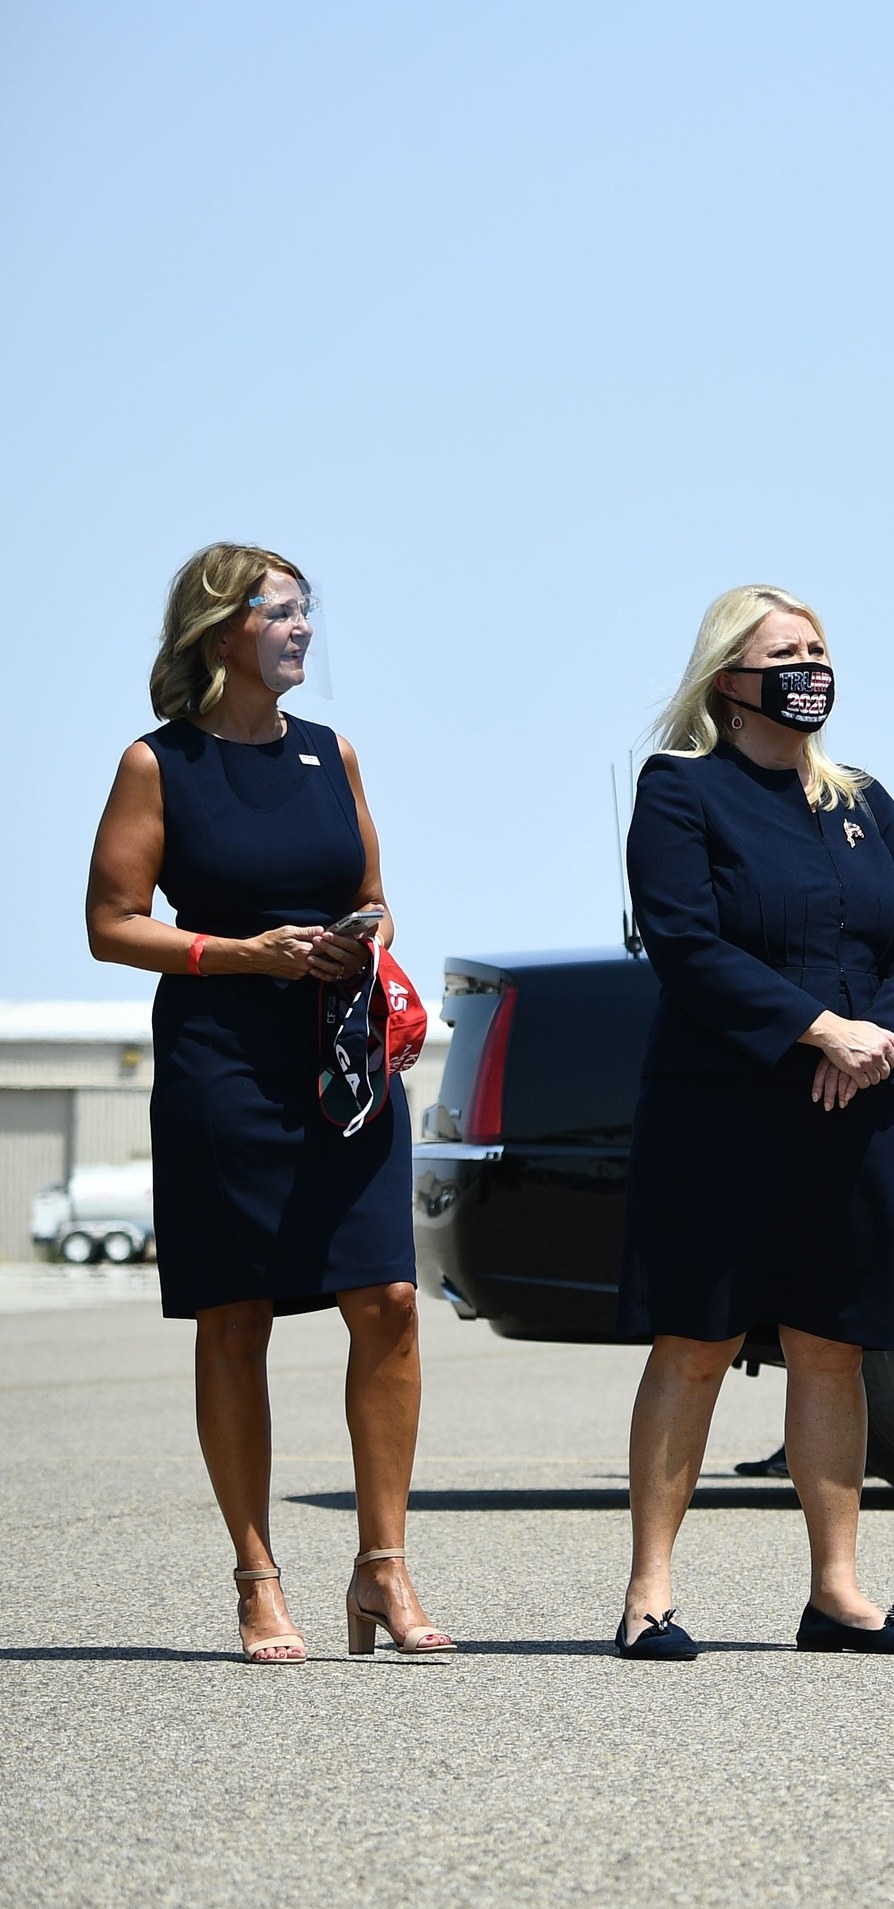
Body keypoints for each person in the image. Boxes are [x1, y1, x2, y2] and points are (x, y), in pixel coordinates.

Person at [84, 542, 454, 1664]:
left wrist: (362, 937)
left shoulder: (329, 753)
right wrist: (244, 954)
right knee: (234, 1314)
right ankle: (257, 1575)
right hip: (221, 1063)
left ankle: (382, 1566)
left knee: (386, 1296)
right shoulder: (159, 765)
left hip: (339, 1059)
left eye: (306, 612)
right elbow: (112, 922)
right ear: (221, 631)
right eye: (282, 612)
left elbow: (373, 895)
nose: (303, 629)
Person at [609, 585, 894, 1660]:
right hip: (725, 1110)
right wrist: (816, 1030)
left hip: (856, 1110)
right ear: (730, 681)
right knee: (696, 1342)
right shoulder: (682, 792)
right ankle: (649, 1595)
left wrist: (873, 1039)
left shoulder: (865, 800)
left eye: (819, 648)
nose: (810, 665)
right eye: (785, 652)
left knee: (834, 1348)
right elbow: (687, 943)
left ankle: (837, 1592)